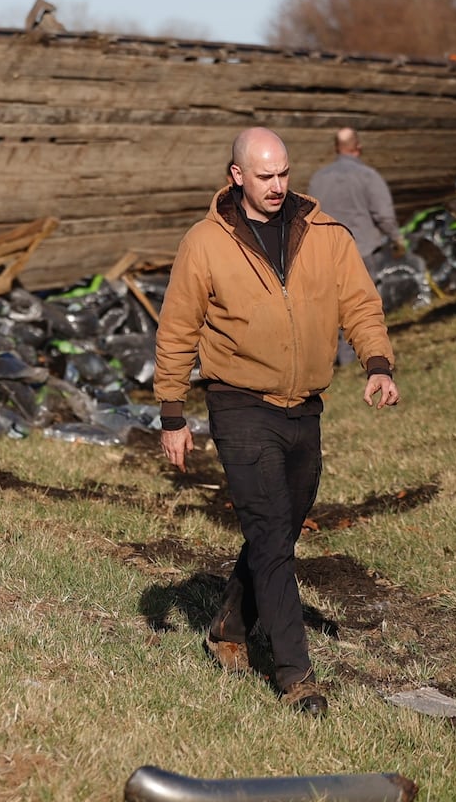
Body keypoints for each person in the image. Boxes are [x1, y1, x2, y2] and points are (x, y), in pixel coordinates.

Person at [155, 126, 400, 714]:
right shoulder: (206, 242)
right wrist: (172, 412)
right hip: (238, 403)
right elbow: (178, 327)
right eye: (264, 175)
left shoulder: (324, 232)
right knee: (270, 534)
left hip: (304, 405)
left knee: (279, 531)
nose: (276, 185)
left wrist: (377, 362)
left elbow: (359, 303)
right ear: (237, 175)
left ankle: (229, 627)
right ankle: (296, 675)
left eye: (283, 173)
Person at [305, 128, 403, 365]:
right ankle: (365, 358)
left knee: (333, 308)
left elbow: (307, 218)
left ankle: (339, 360)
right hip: (363, 250)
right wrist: (397, 239)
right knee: (363, 308)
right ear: (358, 148)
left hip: (326, 253)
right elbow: (384, 216)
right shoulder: (368, 176)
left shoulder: (318, 179)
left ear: (336, 148)